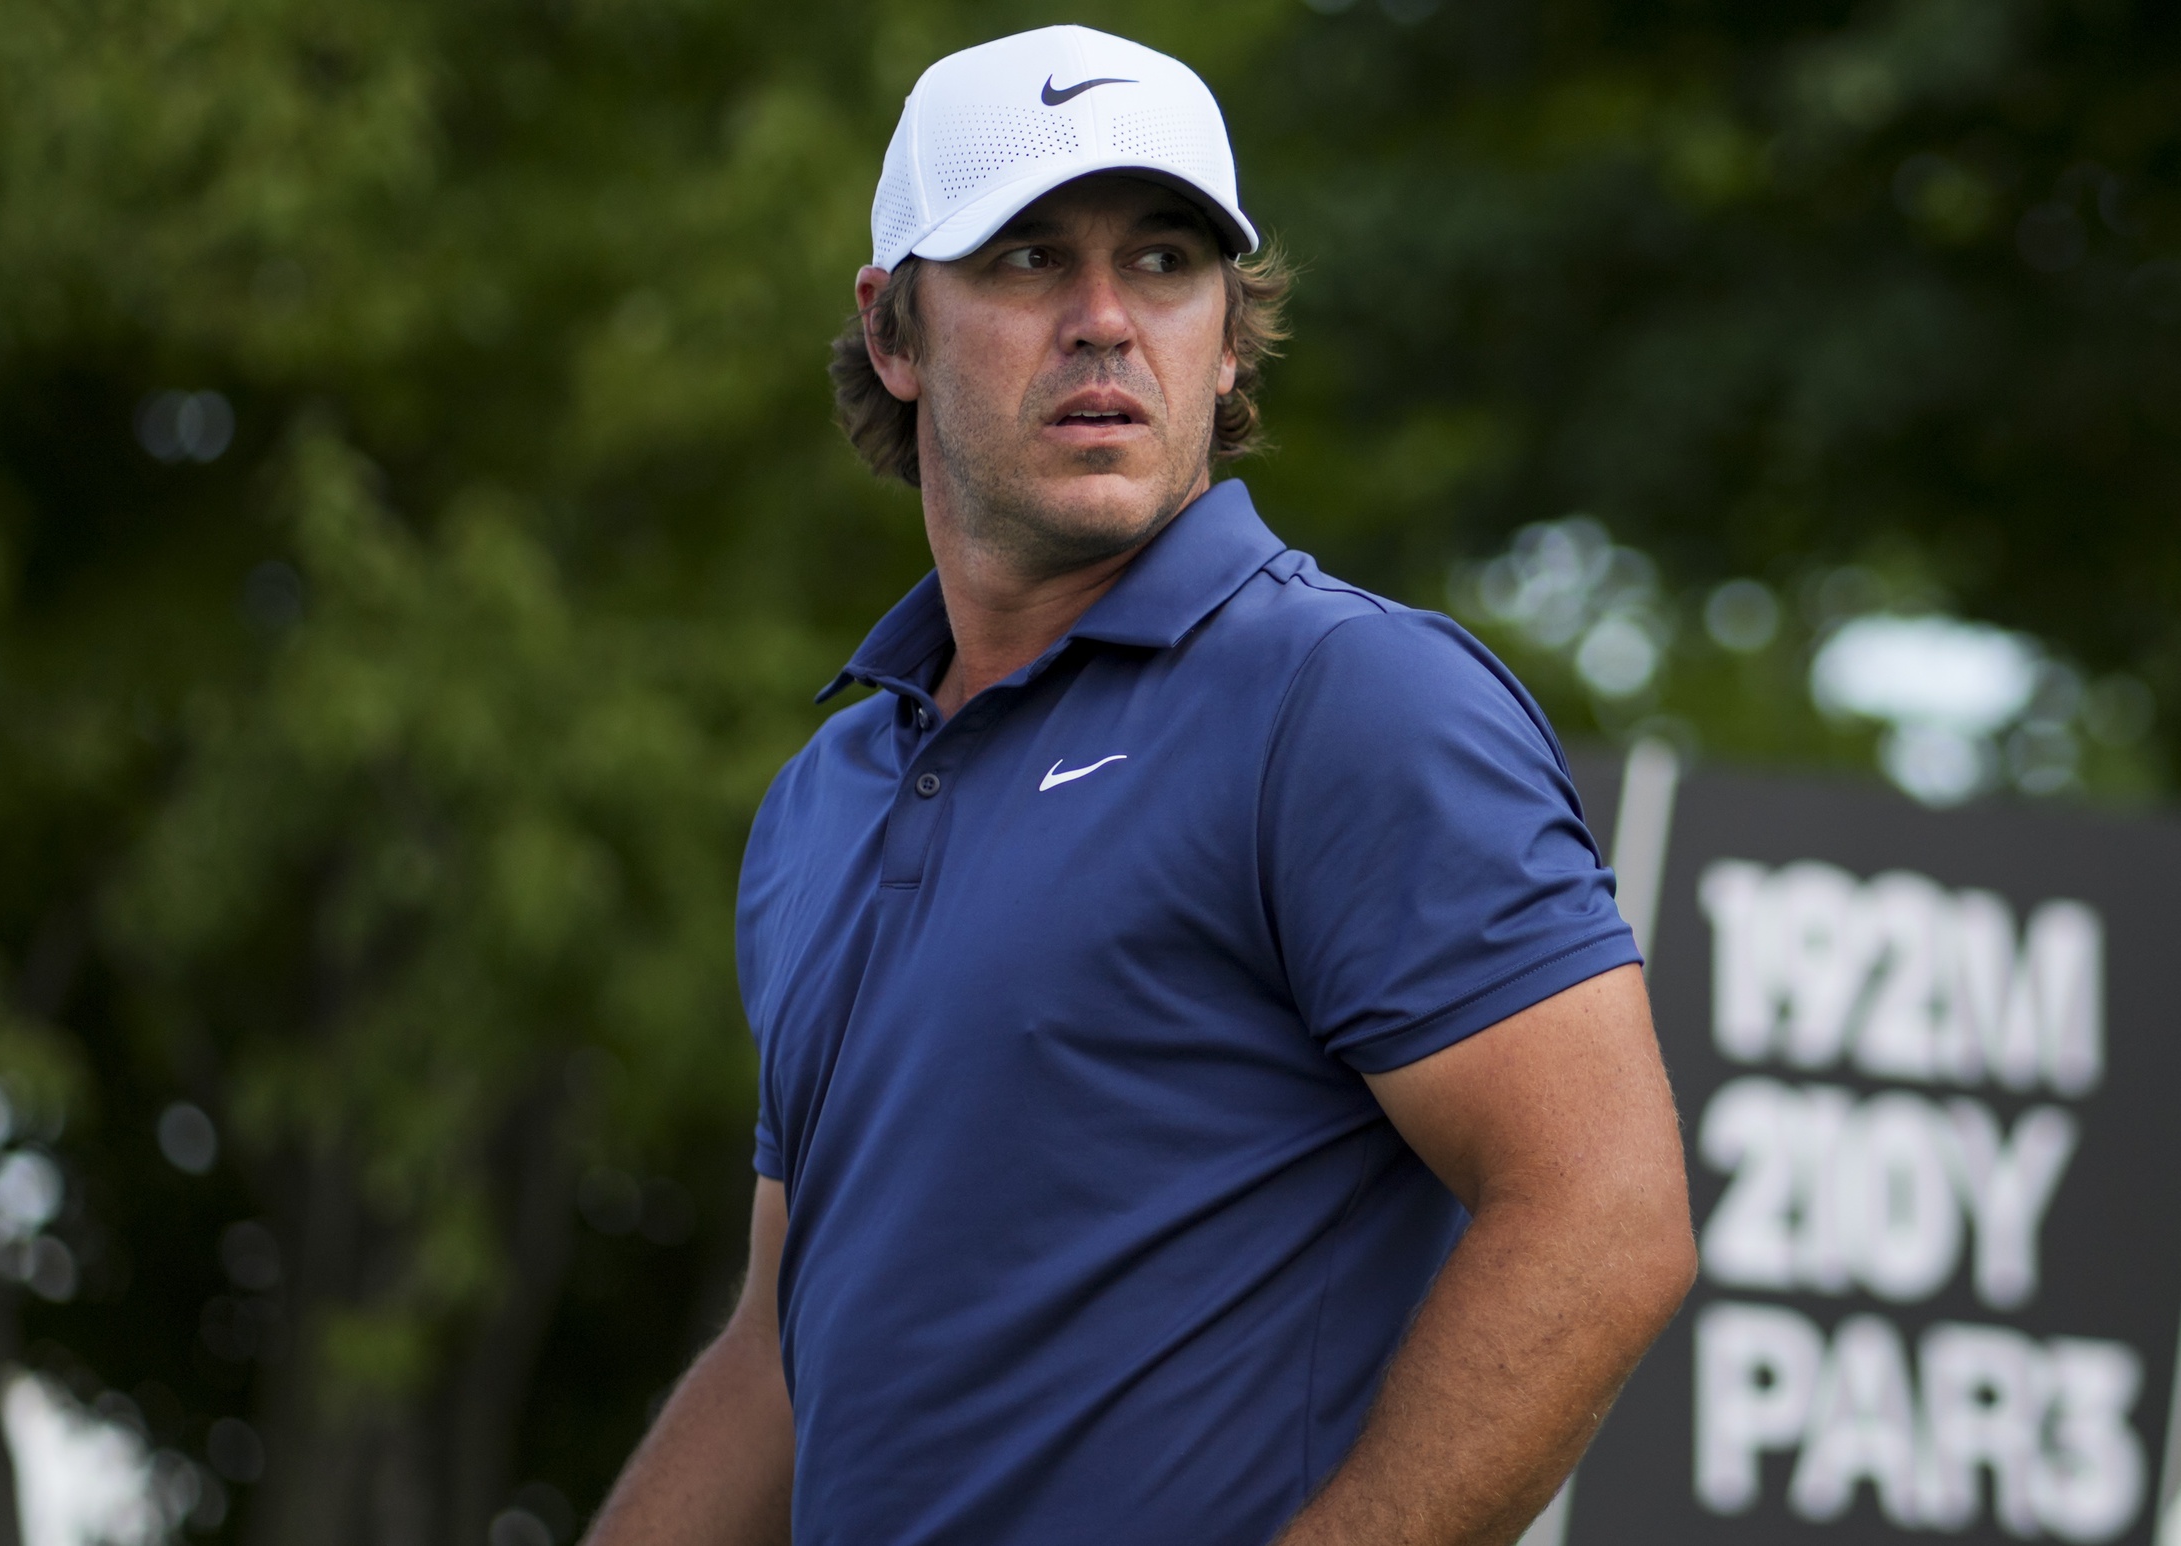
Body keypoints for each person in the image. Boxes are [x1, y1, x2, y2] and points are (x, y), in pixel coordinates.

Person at [587, 24, 1694, 1546]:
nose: (1105, 320)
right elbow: (780, 1349)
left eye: (1165, 262)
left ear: (1226, 337)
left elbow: (1603, 1212)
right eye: (1029, 258)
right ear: (895, 332)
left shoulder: (1350, 698)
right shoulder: (821, 796)